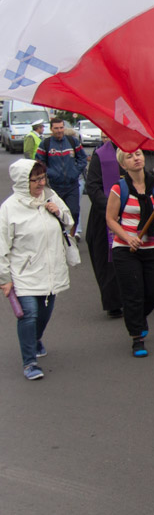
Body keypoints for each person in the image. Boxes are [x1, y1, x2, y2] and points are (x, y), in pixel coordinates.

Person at [0, 160, 73, 380]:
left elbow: (69, 222)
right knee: (29, 314)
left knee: (44, 313)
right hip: (23, 273)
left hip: (50, 270)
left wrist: (58, 212)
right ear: (24, 182)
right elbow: (1, 244)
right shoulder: (9, 208)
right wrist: (5, 278)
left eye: (43, 178)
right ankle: (29, 362)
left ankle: (35, 338)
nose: (41, 183)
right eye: (36, 180)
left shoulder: (50, 196)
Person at [106, 149, 154, 358]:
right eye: (129, 156)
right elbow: (110, 219)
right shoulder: (119, 188)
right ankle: (137, 337)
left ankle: (135, 316)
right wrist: (128, 238)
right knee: (133, 292)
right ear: (123, 165)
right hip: (127, 249)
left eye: (138, 154)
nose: (136, 158)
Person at [84, 136, 125, 318]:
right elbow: (92, 187)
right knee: (107, 261)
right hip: (104, 216)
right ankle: (113, 302)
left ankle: (133, 297)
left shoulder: (135, 153)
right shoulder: (101, 156)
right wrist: (112, 208)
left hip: (131, 215)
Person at [34, 118, 87, 236]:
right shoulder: (46, 144)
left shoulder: (73, 141)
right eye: (56, 128)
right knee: (55, 213)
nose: (59, 130)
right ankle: (59, 236)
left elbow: (83, 158)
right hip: (54, 186)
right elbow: (39, 162)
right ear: (51, 129)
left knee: (74, 212)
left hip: (72, 185)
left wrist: (75, 171)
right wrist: (51, 173)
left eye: (61, 127)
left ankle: (72, 237)